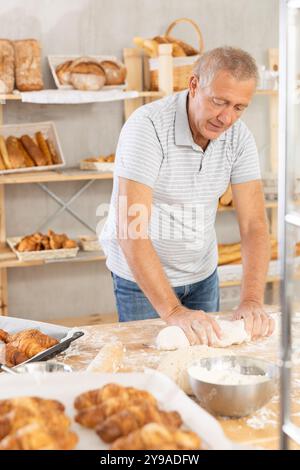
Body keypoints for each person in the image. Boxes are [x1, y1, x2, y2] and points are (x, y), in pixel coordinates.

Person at [100, 46, 275, 346]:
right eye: (219, 102)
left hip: (203, 275)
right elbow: (131, 229)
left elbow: (255, 225)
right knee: (153, 371)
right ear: (194, 85)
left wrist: (251, 300)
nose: (227, 118)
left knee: (207, 368)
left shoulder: (239, 137)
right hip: (142, 283)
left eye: (238, 107)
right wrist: (173, 310)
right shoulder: (148, 127)